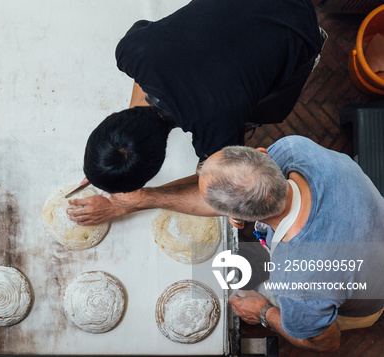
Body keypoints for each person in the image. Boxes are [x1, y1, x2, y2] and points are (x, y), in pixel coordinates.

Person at [83, 135, 384, 352]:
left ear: (236, 217)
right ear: (263, 154)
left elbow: (328, 341)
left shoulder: (300, 279)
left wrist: (264, 312)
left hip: (368, 295)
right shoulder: (295, 150)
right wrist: (139, 200)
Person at [70, 0, 325, 225]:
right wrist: (113, 154)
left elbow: (221, 195)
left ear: (160, 158)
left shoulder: (218, 125)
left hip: (297, 21)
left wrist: (137, 201)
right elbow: (147, 67)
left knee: (269, 105)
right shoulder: (132, 52)